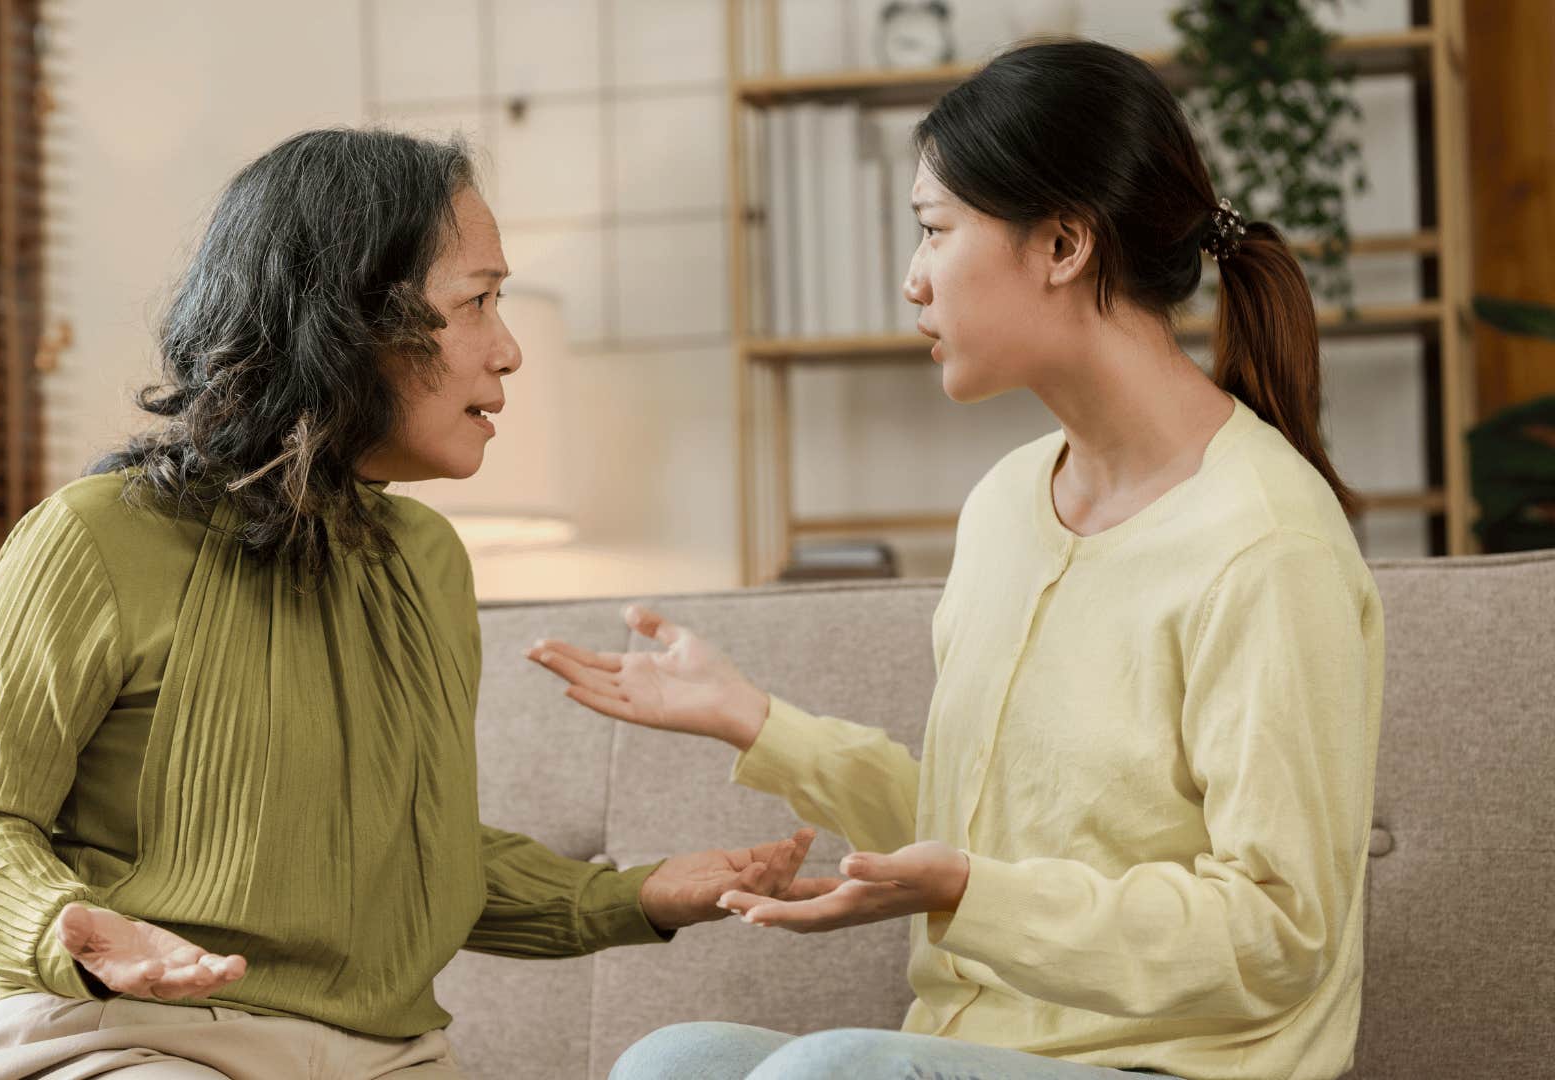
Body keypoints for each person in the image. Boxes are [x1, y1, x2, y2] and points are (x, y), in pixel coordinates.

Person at [529, 39, 1383, 1080]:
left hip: (1180, 1069)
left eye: (935, 232)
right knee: (672, 1062)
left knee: (826, 1073)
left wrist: (971, 893)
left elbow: (1278, 936)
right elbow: (970, 840)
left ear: (1064, 243)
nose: (912, 281)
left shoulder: (1263, 540)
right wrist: (753, 721)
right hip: (971, 1048)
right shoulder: (1006, 508)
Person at [0, 128, 828, 1080]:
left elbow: (413, 854)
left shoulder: (427, 559)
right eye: (475, 301)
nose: (508, 350)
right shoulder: (94, 537)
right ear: (348, 319)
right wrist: (66, 928)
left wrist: (640, 896)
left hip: (392, 1060)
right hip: (135, 1042)